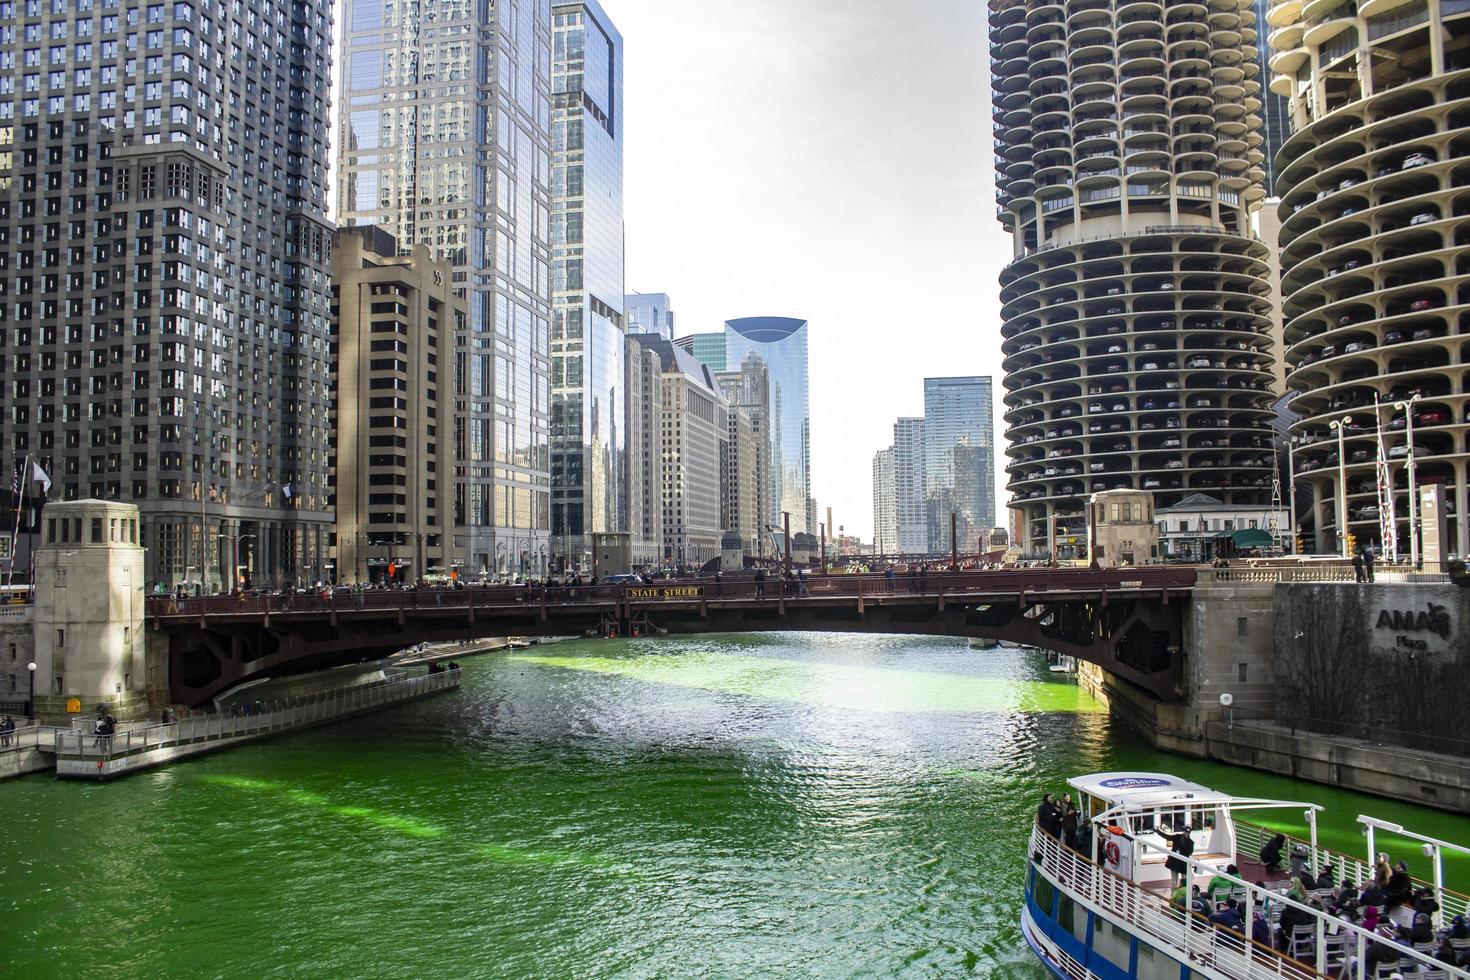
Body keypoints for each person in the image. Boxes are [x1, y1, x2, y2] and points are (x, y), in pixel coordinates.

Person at [1162, 822, 1195, 890]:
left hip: (1183, 863)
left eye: (1186, 832)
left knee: (1185, 880)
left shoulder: (1190, 842)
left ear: (1188, 833)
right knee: (1174, 881)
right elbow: (1167, 837)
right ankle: (1173, 894)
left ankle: (1185, 893)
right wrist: (1158, 832)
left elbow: (1190, 852)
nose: (1184, 833)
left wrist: (1185, 842)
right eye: (1184, 831)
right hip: (1174, 862)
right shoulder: (1177, 837)